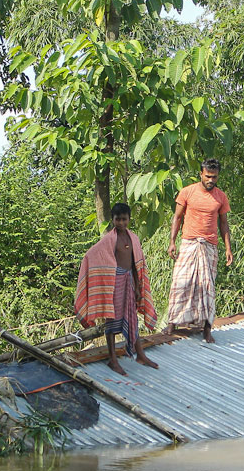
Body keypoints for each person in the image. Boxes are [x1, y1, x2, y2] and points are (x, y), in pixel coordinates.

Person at [74, 203, 158, 375]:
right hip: (114, 283)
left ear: (129, 219)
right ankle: (113, 359)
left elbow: (136, 264)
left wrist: (137, 286)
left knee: (132, 317)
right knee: (112, 320)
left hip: (129, 281)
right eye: (117, 219)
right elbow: (91, 255)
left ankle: (140, 354)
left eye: (124, 219)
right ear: (112, 220)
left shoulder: (133, 238)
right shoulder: (108, 240)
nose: (121, 223)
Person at [164, 158, 233, 343]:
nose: (211, 180)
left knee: (207, 287)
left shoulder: (221, 197)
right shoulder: (187, 192)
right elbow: (177, 218)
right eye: (208, 176)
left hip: (209, 246)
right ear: (201, 174)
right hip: (189, 243)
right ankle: (172, 323)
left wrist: (228, 248)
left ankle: (206, 329)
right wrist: (172, 242)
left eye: (215, 177)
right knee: (180, 282)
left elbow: (224, 224)